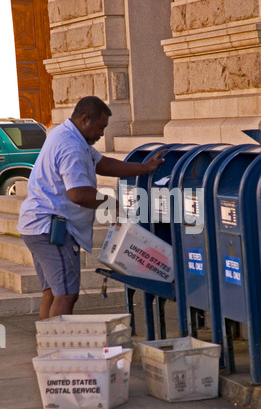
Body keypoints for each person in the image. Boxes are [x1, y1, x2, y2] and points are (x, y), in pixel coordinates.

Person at [17, 96, 165, 320]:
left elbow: (102, 163)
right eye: (100, 127)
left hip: (36, 226)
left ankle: (49, 348)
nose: (102, 134)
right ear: (84, 119)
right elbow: (77, 194)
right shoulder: (71, 147)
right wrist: (112, 203)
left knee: (52, 293)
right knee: (66, 295)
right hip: (51, 228)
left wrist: (143, 168)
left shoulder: (66, 134)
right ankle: (60, 350)